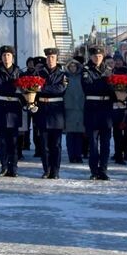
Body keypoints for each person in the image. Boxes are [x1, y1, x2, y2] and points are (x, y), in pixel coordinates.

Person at [81, 46, 115, 180]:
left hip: (106, 109)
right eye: (95, 56)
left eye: (100, 56)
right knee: (93, 144)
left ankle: (104, 169)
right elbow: (88, 88)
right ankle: (94, 171)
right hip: (92, 109)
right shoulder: (86, 70)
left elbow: (113, 91)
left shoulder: (108, 70)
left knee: (106, 143)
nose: (98, 58)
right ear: (90, 57)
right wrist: (104, 81)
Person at [0, 46, 24, 177]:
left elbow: (24, 90)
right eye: (4, 55)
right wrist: (15, 86)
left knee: (14, 141)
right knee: (2, 141)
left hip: (14, 109)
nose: (6, 58)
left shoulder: (20, 72)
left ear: (13, 57)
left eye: (8, 55)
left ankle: (13, 167)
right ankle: (4, 167)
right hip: (1, 108)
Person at [35, 48, 66, 179]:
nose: (50, 60)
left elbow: (61, 89)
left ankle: (56, 171)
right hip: (42, 110)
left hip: (56, 111)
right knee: (44, 144)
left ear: (56, 59)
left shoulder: (62, 74)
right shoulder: (39, 73)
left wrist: (43, 88)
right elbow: (34, 88)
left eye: (53, 57)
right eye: (48, 58)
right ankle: (46, 169)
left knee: (56, 145)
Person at [111, 54, 127, 164]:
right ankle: (118, 153)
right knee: (117, 132)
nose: (118, 62)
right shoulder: (111, 72)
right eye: (116, 60)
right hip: (115, 107)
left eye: (119, 60)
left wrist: (125, 99)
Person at [63, 59, 85, 163]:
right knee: (70, 134)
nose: (72, 68)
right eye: (70, 66)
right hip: (69, 108)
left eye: (74, 66)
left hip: (80, 107)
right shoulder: (65, 77)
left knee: (79, 134)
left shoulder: (81, 77)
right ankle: (71, 155)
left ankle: (79, 154)